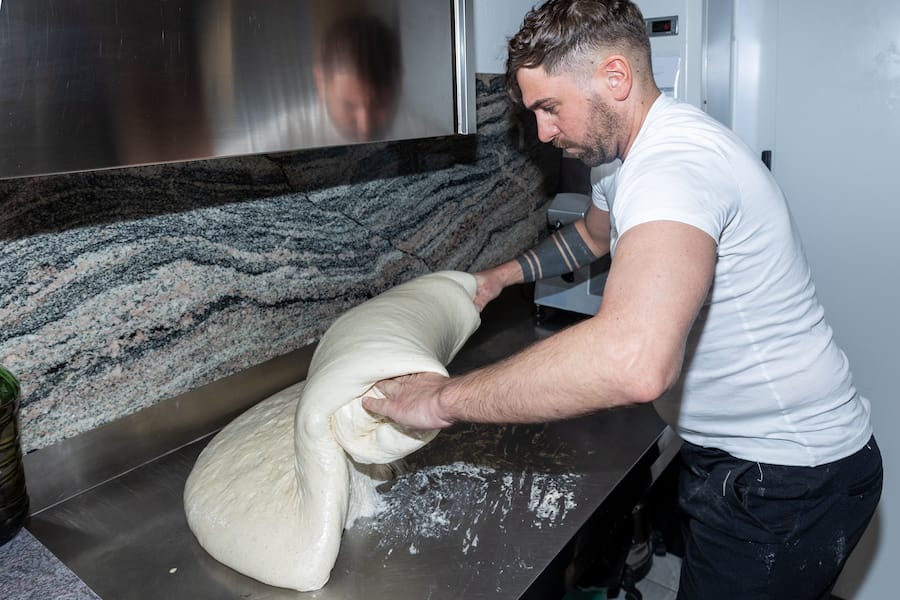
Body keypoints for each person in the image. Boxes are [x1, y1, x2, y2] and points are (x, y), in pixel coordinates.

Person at [362, 1, 882, 598]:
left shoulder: (674, 166)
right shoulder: (623, 158)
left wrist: (442, 400)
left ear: (615, 76)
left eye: (549, 108)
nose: (543, 133)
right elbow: (592, 236)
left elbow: (634, 362)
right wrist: (497, 279)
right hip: (744, 461)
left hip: (787, 481)